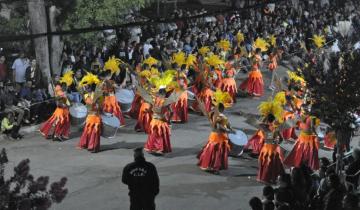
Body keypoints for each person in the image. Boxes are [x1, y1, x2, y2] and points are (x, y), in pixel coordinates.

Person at [197, 91, 233, 174]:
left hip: (213, 135)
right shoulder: (220, 116)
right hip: (219, 137)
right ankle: (214, 167)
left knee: (211, 151)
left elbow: (224, 124)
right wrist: (228, 130)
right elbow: (219, 126)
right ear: (221, 108)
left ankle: (208, 165)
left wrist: (228, 126)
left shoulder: (212, 113)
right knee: (216, 152)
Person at [78, 76, 102, 153]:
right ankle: (88, 144)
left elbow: (99, 105)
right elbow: (89, 103)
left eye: (86, 87)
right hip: (90, 116)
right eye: (85, 87)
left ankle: (93, 147)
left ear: (90, 87)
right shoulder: (86, 96)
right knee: (88, 131)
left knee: (95, 131)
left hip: (96, 116)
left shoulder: (96, 95)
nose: (85, 88)